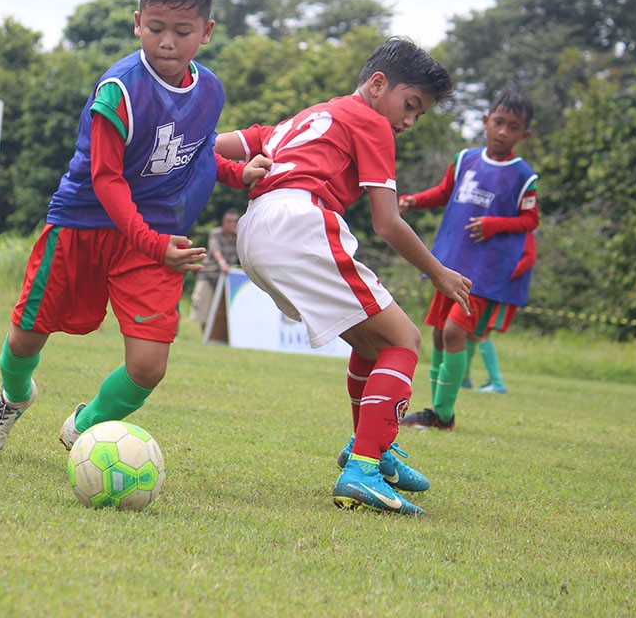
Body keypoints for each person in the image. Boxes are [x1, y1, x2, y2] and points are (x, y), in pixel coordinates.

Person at [0, 0, 271, 458]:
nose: (167, 42)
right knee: (25, 339)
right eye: (155, 28)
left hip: (152, 236)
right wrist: (153, 243)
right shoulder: (120, 89)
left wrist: (237, 174)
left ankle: (84, 427)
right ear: (137, 23)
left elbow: (191, 152)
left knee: (149, 366)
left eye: (182, 31)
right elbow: (106, 179)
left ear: (206, 32)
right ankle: (14, 397)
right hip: (83, 224)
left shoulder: (210, 91)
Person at [215, 37, 471, 516]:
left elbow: (205, 145)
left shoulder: (303, 119)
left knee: (371, 343)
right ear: (378, 84)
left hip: (254, 231)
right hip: (299, 223)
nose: (409, 122)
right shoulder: (371, 123)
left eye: (419, 115)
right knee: (404, 340)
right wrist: (439, 274)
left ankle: (372, 446)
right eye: (410, 105)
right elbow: (387, 223)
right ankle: (364, 467)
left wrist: (232, 171)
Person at [399, 89, 539, 429]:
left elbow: (530, 220)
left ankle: (443, 414)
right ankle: (436, 411)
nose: (503, 131)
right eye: (499, 122)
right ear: (486, 121)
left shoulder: (523, 176)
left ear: (524, 135)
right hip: (450, 264)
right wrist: (415, 201)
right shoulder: (465, 159)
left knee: (453, 333)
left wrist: (494, 224)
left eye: (513, 127)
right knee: (437, 334)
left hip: (484, 274)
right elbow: (444, 193)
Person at [461, 232, 538, 393]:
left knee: (481, 333)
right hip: (491, 289)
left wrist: (503, 277)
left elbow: (529, 257)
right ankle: (464, 380)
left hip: (504, 291)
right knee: (471, 332)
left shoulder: (524, 229)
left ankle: (497, 383)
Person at [189, 208, 240, 332]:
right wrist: (222, 264)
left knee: (223, 314)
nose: (231, 224)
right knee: (203, 309)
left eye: (234, 221)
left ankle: (215, 337)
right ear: (224, 222)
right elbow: (215, 250)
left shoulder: (239, 237)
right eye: (229, 221)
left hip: (226, 280)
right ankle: (204, 336)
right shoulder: (216, 233)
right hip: (208, 275)